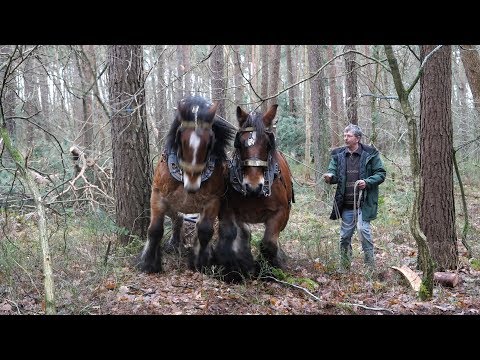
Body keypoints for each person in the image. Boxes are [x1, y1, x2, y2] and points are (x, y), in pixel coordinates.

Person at [323, 124, 386, 272]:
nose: (345, 138)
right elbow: (333, 172)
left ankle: (370, 267)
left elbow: (381, 174)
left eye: (349, 136)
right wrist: (329, 176)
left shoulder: (371, 153)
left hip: (364, 203)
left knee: (364, 232)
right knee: (344, 237)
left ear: (357, 138)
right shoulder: (338, 154)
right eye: (344, 135)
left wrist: (367, 182)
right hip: (346, 204)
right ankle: (344, 267)